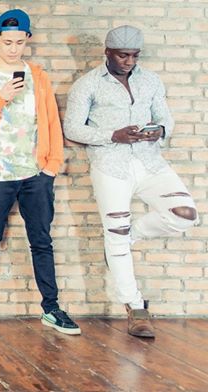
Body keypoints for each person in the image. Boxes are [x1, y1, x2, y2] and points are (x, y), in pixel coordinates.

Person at [64, 25, 198, 338]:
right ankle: (135, 308)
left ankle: (126, 240)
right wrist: (112, 135)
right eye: (123, 55)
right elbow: (72, 128)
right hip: (110, 166)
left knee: (184, 214)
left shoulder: (150, 80)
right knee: (115, 231)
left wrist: (160, 131)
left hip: (151, 162)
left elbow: (165, 118)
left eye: (134, 55)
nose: (129, 61)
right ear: (107, 53)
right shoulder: (87, 85)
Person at [0, 9, 80, 335]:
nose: (13, 48)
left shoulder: (39, 77)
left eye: (19, 42)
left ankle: (51, 309)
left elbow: (52, 122)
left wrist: (52, 167)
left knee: (41, 241)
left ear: (27, 40)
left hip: (35, 175)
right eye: (7, 42)